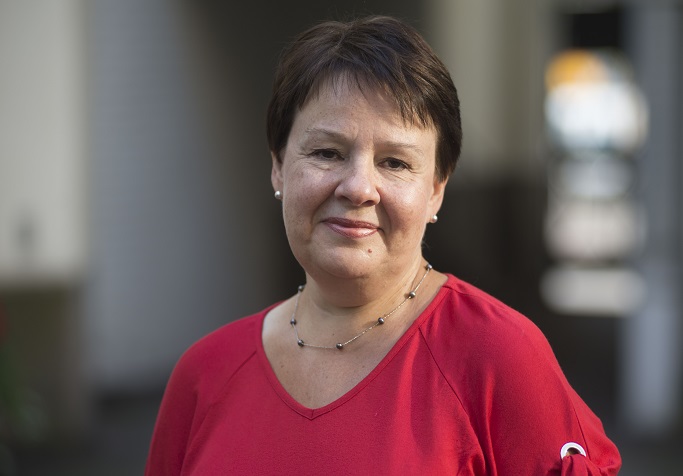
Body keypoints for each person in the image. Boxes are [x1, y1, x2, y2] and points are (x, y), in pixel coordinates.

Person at [145, 15, 621, 475]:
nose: (358, 188)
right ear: (278, 168)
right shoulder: (205, 375)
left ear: (436, 189)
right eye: (327, 153)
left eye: (395, 162)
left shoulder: (499, 356)